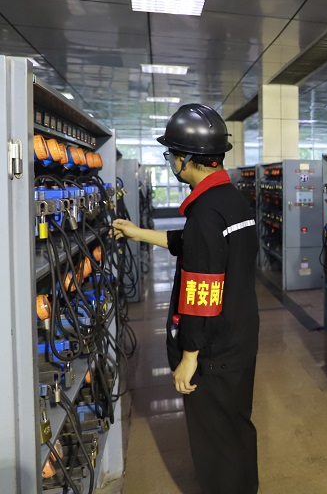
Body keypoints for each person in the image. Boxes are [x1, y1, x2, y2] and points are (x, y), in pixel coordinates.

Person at [111, 104, 260, 494]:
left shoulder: (206, 212)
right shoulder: (231, 200)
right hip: (240, 334)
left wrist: (189, 357)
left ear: (186, 159)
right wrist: (138, 233)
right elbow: (190, 243)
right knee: (236, 425)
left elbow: (201, 293)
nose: (172, 163)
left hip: (214, 348)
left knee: (215, 438)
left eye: (172, 155)